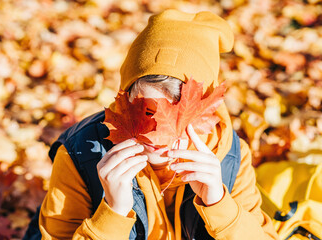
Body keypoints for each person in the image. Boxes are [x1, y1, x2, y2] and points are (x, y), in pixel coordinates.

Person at [37, 9, 279, 240]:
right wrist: (113, 212)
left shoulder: (229, 156)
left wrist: (219, 204)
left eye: (178, 117)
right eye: (146, 112)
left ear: (205, 110)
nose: (157, 136)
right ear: (124, 101)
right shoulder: (80, 155)